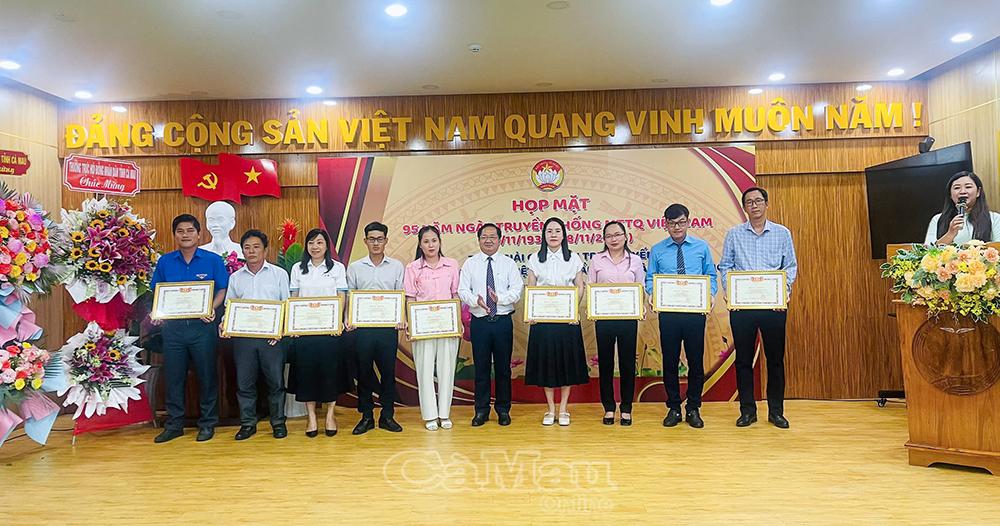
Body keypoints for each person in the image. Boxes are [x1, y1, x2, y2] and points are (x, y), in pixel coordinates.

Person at [718, 187, 797, 429]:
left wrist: (782, 293)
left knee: (775, 360)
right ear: (744, 207)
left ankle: (776, 412)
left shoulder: (782, 233)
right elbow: (725, 266)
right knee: (743, 360)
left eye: (758, 201)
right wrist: (732, 292)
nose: (754, 205)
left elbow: (790, 267)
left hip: (773, 307)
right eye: (749, 202)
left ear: (766, 204)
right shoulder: (734, 234)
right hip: (743, 308)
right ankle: (747, 411)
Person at [150, 214, 229, 444]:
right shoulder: (165, 262)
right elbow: (157, 291)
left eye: (190, 230)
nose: (185, 235)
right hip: (173, 330)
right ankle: (174, 425)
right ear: (175, 235)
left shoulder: (213, 260)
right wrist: (157, 312)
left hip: (202, 328)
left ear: (199, 234)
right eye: (180, 231)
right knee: (174, 377)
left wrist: (211, 307)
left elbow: (222, 289)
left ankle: (208, 423)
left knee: (207, 376)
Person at [644, 205, 718, 429]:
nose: (677, 227)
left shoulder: (701, 247)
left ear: (688, 222)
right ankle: (674, 407)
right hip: (669, 314)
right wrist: (652, 293)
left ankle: (693, 407)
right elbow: (650, 278)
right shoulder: (657, 250)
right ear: (665, 224)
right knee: (670, 360)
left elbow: (710, 275)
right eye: (672, 223)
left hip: (695, 313)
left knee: (695, 361)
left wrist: (710, 294)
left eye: (681, 222)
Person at [222, 229, 291, 440]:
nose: (251, 251)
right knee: (245, 384)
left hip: (272, 339)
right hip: (243, 339)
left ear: (265, 250)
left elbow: (286, 304)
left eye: (256, 247)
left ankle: (278, 423)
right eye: (247, 247)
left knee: (275, 383)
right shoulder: (235, 277)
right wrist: (225, 323)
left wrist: (280, 330)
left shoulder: (279, 274)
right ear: (242, 251)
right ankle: (247, 424)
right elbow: (229, 307)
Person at [524, 217, 589, 426]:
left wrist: (573, 310)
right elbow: (531, 287)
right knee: (547, 364)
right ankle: (550, 409)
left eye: (557, 231)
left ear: (564, 234)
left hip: (567, 320)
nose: (553, 235)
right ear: (544, 235)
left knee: (566, 364)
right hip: (542, 320)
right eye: (549, 231)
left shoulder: (574, 258)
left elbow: (580, 286)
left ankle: (563, 409)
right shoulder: (535, 259)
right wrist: (532, 312)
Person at [287, 229, 351, 438]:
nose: (315, 247)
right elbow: (294, 297)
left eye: (320, 242)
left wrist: (338, 321)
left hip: (329, 330)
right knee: (306, 374)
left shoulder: (337, 268)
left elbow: (341, 296)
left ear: (326, 246)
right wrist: (294, 324)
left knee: (330, 373)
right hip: (305, 331)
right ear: (306, 246)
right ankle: (311, 417)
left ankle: (330, 415)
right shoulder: (298, 268)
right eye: (311, 243)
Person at [458, 223, 523, 427]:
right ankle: (481, 410)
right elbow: (462, 290)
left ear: (500, 240)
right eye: (484, 237)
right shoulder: (470, 264)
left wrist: (499, 299)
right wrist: (475, 300)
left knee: (503, 369)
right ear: (478, 240)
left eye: (492, 237)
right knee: (481, 369)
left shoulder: (508, 264)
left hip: (502, 322)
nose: (488, 240)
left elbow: (517, 290)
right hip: (480, 323)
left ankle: (503, 410)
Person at [346, 222, 405, 434]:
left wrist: (401, 318)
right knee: (364, 373)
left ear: (386, 240)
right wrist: (349, 318)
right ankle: (367, 416)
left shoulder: (397, 266)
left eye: (380, 239)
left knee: (388, 372)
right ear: (365, 241)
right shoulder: (355, 267)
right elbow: (350, 296)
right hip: (363, 329)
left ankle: (387, 416)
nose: (376, 243)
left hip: (388, 328)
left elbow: (401, 296)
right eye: (372, 239)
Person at [588, 221, 646, 426]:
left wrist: (640, 307)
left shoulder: (635, 261)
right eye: (609, 236)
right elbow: (591, 287)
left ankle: (627, 408)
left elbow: (641, 287)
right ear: (604, 239)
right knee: (605, 363)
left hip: (628, 319)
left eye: (617, 235)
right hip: (604, 319)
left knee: (627, 363)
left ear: (625, 237)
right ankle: (609, 407)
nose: (614, 239)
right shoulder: (596, 260)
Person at [404, 225, 462, 431]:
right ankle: (430, 415)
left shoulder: (451, 265)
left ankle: (444, 414)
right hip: (423, 327)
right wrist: (411, 323)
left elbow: (456, 295)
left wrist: (458, 322)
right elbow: (410, 298)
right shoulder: (412, 268)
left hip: (448, 326)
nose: (431, 245)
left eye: (434, 241)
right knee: (425, 370)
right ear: (420, 245)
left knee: (447, 369)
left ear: (440, 242)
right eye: (426, 241)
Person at [924, 170, 1000, 245]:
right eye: (957, 188)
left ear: (978, 192)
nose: (962, 191)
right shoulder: (937, 219)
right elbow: (927, 250)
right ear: (950, 194)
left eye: (968, 187)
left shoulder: (994, 218)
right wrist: (950, 233)